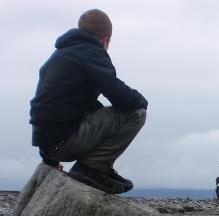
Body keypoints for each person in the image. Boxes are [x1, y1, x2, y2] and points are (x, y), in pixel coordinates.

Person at [29, 9, 147, 194]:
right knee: (137, 113)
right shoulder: (92, 52)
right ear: (105, 39)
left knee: (97, 109)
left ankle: (100, 169)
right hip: (66, 142)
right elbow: (117, 93)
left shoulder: (58, 56)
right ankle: (93, 168)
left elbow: (46, 109)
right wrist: (143, 101)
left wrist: (49, 158)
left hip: (50, 146)